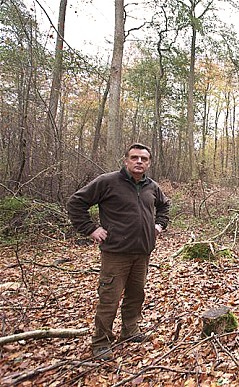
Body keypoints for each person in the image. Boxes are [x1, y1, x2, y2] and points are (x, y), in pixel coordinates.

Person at [67, 143, 171, 360]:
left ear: (149, 162)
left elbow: (164, 206)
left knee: (136, 295)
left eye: (144, 159)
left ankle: (129, 330)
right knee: (109, 298)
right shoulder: (108, 182)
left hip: (142, 252)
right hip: (116, 253)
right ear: (126, 160)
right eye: (134, 158)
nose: (139, 162)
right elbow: (76, 202)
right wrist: (91, 229)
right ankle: (101, 342)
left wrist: (159, 225)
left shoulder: (152, 186)